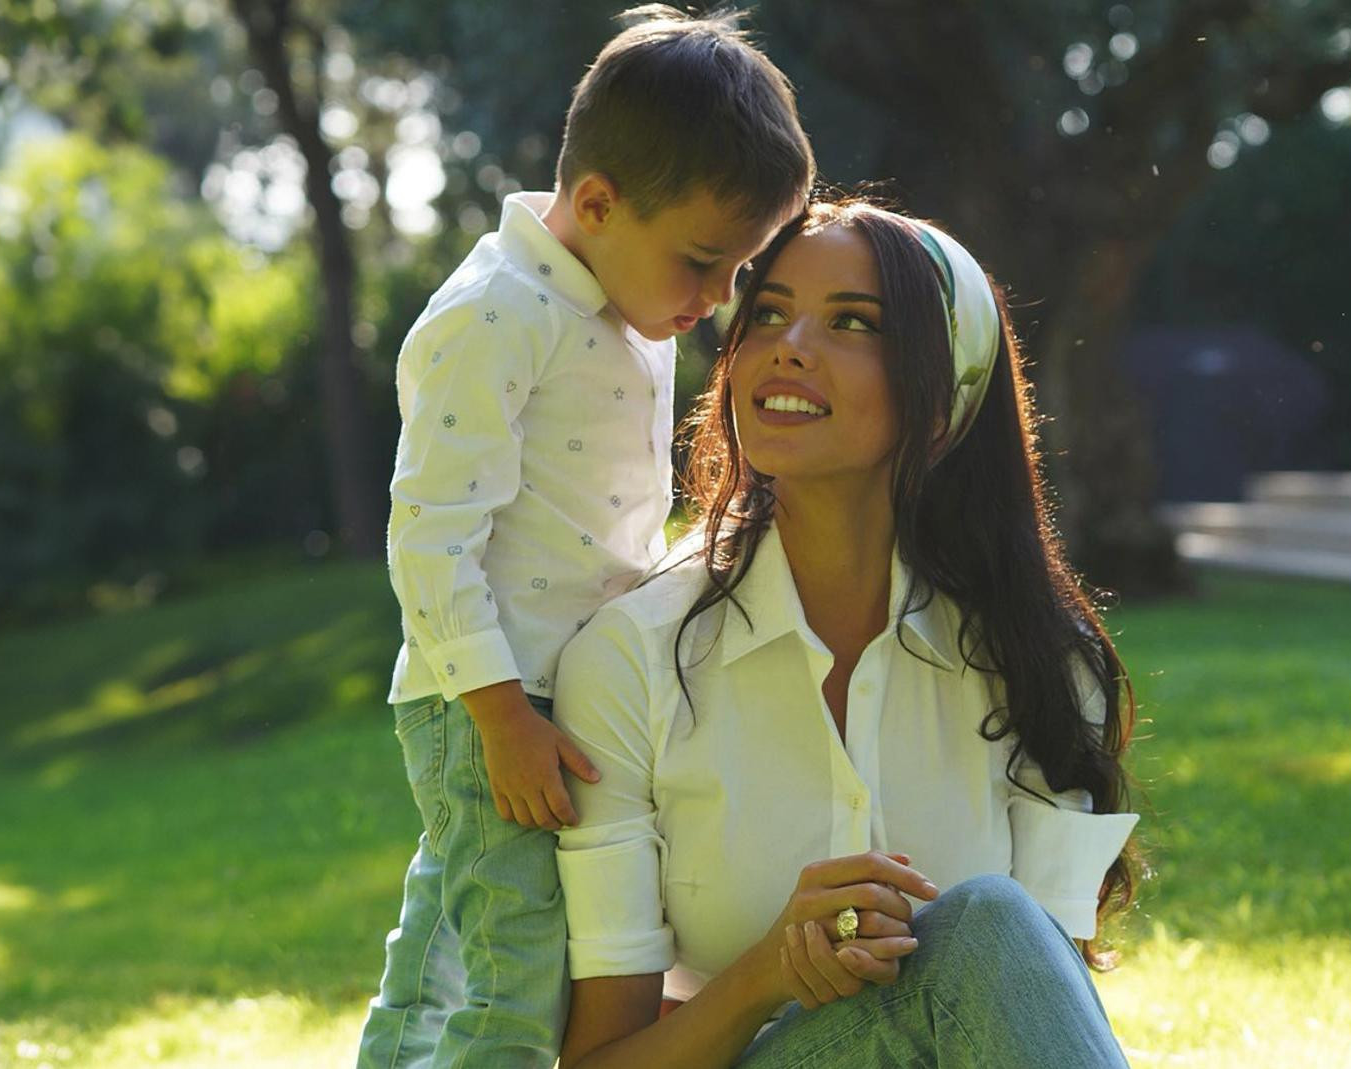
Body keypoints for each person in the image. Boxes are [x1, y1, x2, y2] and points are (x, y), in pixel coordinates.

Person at [551, 199, 1143, 1067]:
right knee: (979, 923)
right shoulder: (630, 657)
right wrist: (765, 975)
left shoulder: (1042, 664)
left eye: (852, 322)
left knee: (988, 928)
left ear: (943, 400)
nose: (790, 344)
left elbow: (1036, 1009)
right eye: (769, 313)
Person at [354, 7, 814, 1067]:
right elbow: (428, 539)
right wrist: (502, 715)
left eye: (737, 268)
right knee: (518, 982)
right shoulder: (497, 313)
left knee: (444, 947)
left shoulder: (617, 301)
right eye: (703, 262)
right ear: (598, 203)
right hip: (494, 701)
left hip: (574, 693)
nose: (716, 300)